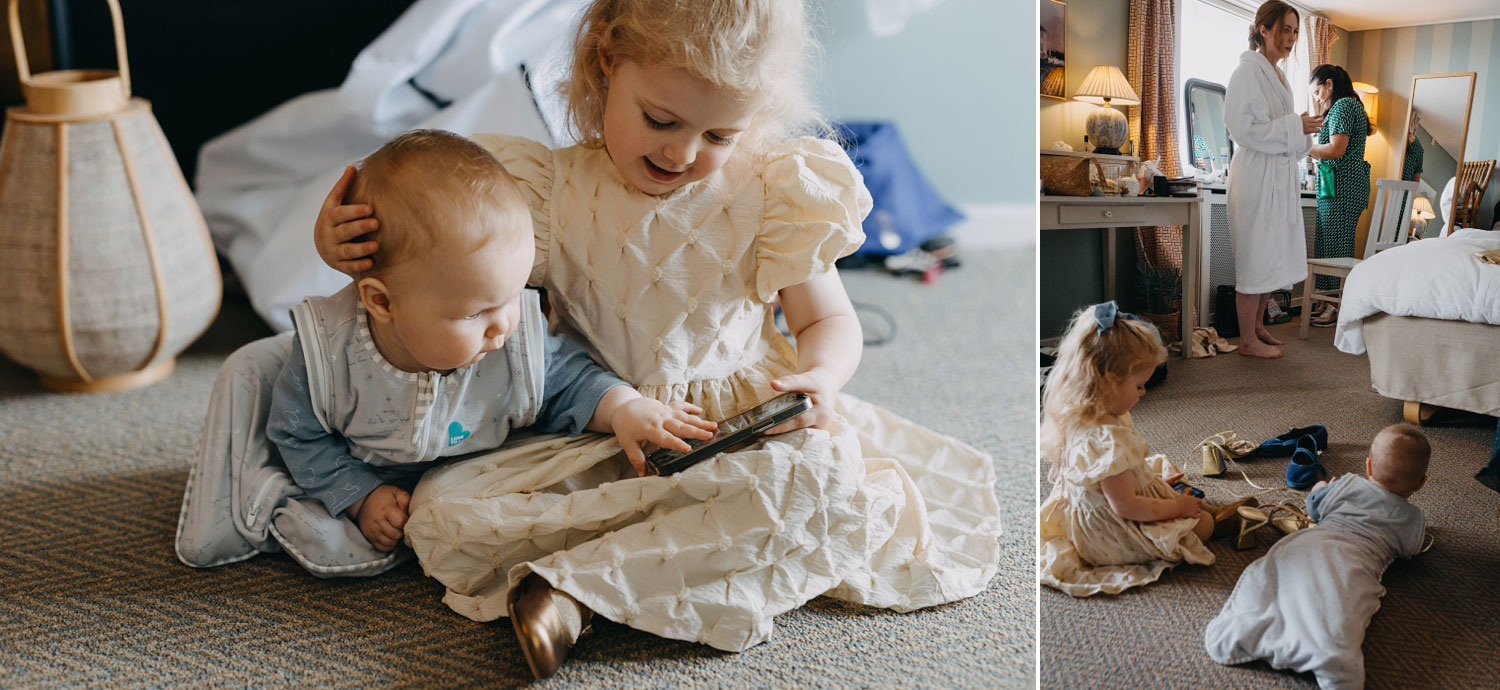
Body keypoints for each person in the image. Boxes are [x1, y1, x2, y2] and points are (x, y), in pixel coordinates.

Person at [315, 0, 1001, 679]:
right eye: (660, 120)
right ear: (608, 62)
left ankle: (578, 591)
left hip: (740, 435)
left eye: (720, 136)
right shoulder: (547, 192)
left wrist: (821, 377)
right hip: (593, 431)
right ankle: (673, 561)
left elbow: (829, 321)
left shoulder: (771, 191)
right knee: (440, 517)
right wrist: (336, 239)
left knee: (832, 484)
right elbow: (427, 255)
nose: (682, 152)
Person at [265, 130, 716, 553]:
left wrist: (625, 408)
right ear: (382, 304)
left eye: (513, 296)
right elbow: (296, 434)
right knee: (293, 521)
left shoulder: (513, 345)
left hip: (469, 481)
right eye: (476, 312)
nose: (503, 325)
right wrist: (359, 496)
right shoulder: (329, 359)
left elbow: (570, 381)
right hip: (372, 471)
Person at [1205, 423, 1430, 690]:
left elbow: (1313, 510)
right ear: (1420, 483)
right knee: (1339, 601)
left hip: (1315, 543)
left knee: (1283, 579)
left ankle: (1241, 630)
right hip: (1359, 562)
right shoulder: (1412, 519)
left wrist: (1322, 487)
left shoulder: (1346, 484)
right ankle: (1330, 657)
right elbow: (1411, 549)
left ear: (1369, 467)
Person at [1039, 302, 1241, 596]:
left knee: (1160, 471)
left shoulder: (1078, 414)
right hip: (1105, 535)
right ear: (1109, 382)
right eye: (1139, 386)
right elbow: (1126, 507)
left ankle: (1186, 505)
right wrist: (1176, 507)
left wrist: (1153, 487)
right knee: (1202, 524)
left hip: (1099, 504)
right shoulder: (1106, 439)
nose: (1144, 392)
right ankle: (1208, 518)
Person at [1225, 0, 1321, 358]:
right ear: (1263, 29)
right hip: (1255, 177)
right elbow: (1244, 129)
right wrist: (1295, 124)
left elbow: (1288, 139)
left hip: (1278, 178)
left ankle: (1259, 327)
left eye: (1295, 31)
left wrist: (1302, 130)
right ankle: (1246, 341)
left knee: (1272, 256)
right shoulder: (1247, 73)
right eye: (1285, 29)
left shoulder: (1278, 77)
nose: (1291, 37)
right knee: (1255, 257)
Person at [1306, 64, 1370, 327]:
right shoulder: (1347, 106)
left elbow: (1335, 150)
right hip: (1336, 187)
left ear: (1329, 84)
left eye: (1318, 91)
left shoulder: (1343, 106)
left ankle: (1334, 304)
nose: (1317, 97)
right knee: (1327, 244)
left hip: (1343, 188)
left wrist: (1306, 147)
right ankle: (1326, 300)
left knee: (1335, 246)